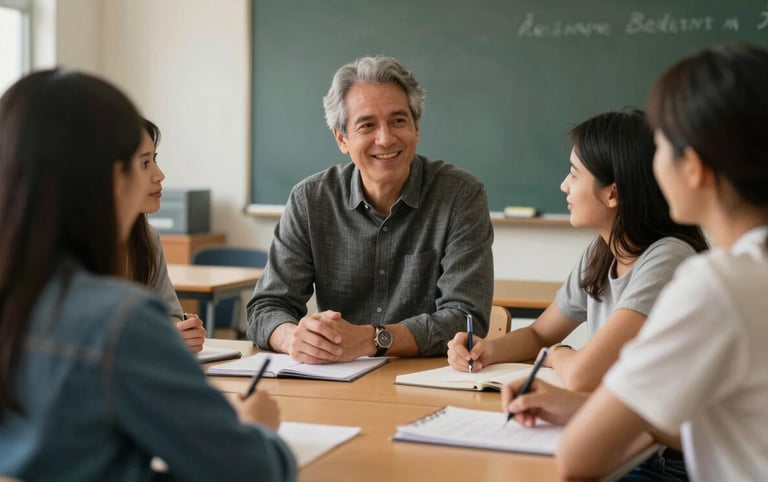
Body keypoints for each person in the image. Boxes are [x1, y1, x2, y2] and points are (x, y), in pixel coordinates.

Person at [0, 68, 296, 482]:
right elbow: (250, 472)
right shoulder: (117, 321)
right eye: (140, 163)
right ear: (109, 177)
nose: (155, 176)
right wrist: (254, 428)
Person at [501, 43, 768, 481]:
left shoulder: (718, 284)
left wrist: (584, 397)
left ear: (695, 167)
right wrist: (587, 406)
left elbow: (578, 460)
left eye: (661, 145)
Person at [246, 55, 494, 363]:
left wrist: (372, 339)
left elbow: (465, 318)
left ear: (416, 128)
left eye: (398, 121)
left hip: (426, 380)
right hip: (335, 381)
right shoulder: (310, 200)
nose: (386, 138)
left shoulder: (460, 195)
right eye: (367, 125)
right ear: (342, 139)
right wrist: (293, 338)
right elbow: (266, 307)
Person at [448, 110, 708, 391]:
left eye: (574, 174)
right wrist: (486, 349)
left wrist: (557, 354)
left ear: (612, 193)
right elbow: (538, 334)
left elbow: (583, 375)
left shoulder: (668, 259)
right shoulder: (602, 253)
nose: (563, 185)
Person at [125, 118, 206, 353]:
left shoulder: (147, 239)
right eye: (144, 164)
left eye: (155, 160)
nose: (159, 175)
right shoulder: (64, 252)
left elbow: (168, 314)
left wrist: (181, 331)